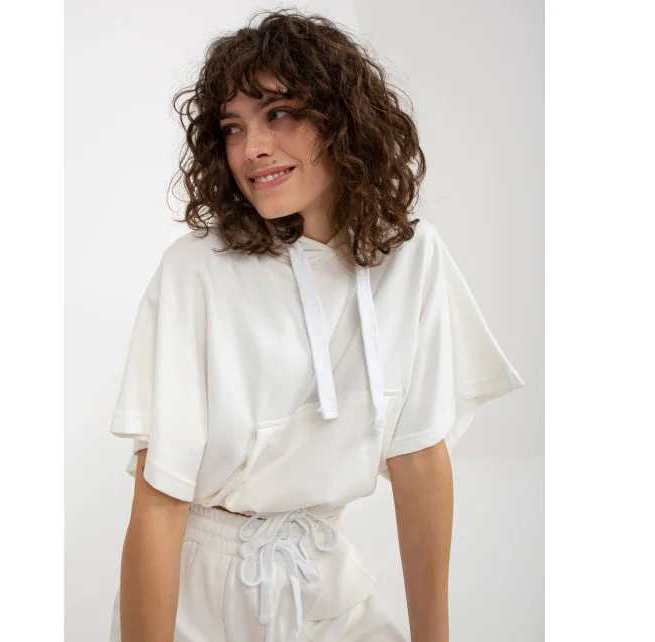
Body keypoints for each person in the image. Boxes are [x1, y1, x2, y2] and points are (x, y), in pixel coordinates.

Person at [107, 9, 525, 642]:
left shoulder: (411, 256)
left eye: (279, 113)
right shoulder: (197, 269)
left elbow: (419, 460)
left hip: (324, 583)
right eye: (233, 127)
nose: (252, 148)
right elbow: (160, 500)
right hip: (197, 599)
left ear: (344, 120)